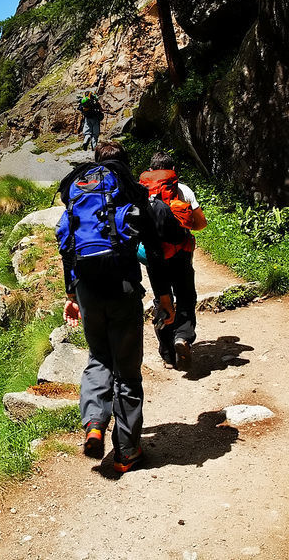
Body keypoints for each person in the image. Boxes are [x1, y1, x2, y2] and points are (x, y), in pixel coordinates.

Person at [56, 141, 162, 473]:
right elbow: (154, 249)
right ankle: (127, 451)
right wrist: (164, 297)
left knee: (98, 357)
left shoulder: (80, 193)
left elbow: (67, 243)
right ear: (124, 165)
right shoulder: (128, 189)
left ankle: (94, 424)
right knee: (127, 372)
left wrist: (72, 295)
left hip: (87, 288)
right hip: (123, 288)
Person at [139, 153, 206, 369]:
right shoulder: (182, 190)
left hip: (153, 255)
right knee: (185, 294)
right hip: (180, 252)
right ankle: (183, 337)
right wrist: (183, 229)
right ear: (173, 170)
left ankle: (167, 352)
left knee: (162, 297)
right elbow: (201, 223)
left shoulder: (141, 192)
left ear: (150, 170)